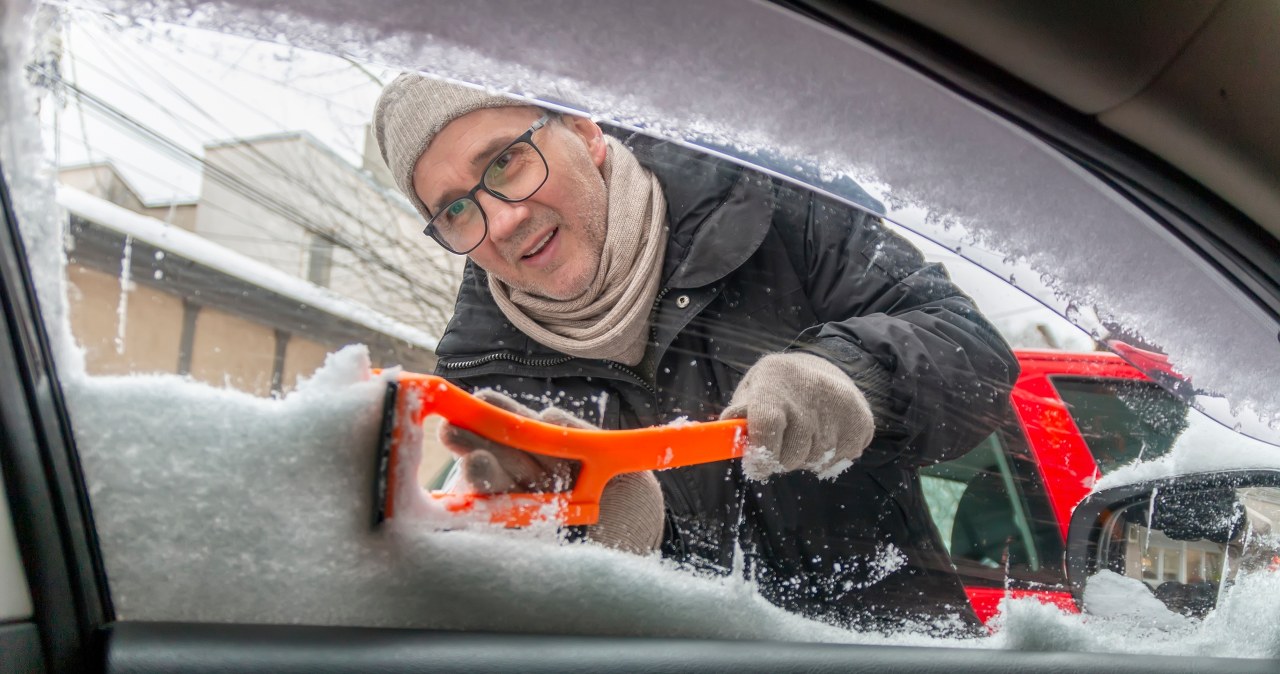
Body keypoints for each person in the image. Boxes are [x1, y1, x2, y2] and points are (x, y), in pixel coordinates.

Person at [373, 73, 1020, 634]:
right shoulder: (484, 377)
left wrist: (847, 375)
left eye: (505, 163)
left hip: (887, 652)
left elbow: (974, 350)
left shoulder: (771, 205)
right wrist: (621, 539)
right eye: (458, 210)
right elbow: (522, 613)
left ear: (583, 131)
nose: (503, 220)